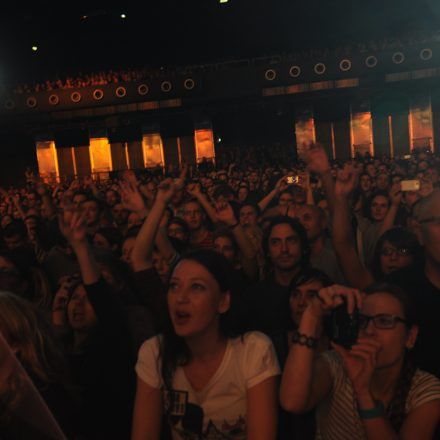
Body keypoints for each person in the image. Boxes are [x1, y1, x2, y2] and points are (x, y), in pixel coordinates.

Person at [132, 249, 280, 440]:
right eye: (174, 286)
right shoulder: (154, 351)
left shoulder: (253, 350)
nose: (181, 297)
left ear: (223, 302)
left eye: (196, 287)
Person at [280, 282, 440, 439]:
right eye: (363, 321)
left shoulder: (424, 389)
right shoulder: (337, 364)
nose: (369, 331)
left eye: (384, 321)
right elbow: (292, 402)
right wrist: (312, 316)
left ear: (410, 336)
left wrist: (363, 392)